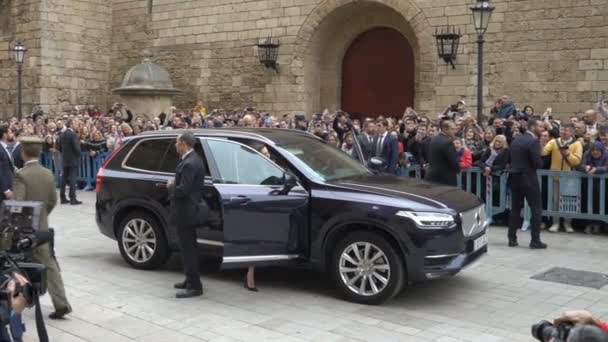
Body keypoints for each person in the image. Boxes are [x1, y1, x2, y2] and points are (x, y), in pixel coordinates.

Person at [13, 136, 72, 319]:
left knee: (15, 265)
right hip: (42, 228)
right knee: (49, 265)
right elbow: (52, 200)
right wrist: (43, 216)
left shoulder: (21, 175)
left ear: (23, 152)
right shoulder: (48, 173)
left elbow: (18, 204)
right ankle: (61, 303)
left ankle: (17, 302)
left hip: (25, 230)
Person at [168, 132, 206, 298]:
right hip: (186, 211)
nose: (175, 145)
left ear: (183, 143)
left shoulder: (190, 163)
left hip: (187, 212)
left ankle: (195, 286)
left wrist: (171, 186)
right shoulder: (190, 159)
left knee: (189, 249)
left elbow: (184, 189)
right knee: (186, 248)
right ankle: (189, 279)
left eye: (176, 142)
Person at [508, 118, 547, 249]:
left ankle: (512, 239)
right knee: (536, 208)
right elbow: (538, 164)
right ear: (532, 126)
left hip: (514, 177)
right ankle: (535, 241)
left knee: (515, 208)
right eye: (541, 126)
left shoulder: (516, 139)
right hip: (528, 178)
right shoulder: (533, 141)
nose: (543, 129)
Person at [542, 123, 583, 233]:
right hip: (555, 176)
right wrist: (542, 143)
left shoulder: (577, 144)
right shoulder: (554, 142)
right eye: (562, 129)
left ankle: (567, 223)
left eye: (567, 130)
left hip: (570, 177)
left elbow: (577, 161)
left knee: (568, 201)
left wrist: (567, 153)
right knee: (555, 200)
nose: (564, 132)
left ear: (572, 132)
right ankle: (555, 223)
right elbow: (544, 152)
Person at [426, 120, 460, 186]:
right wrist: (457, 170)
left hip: (432, 177)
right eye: (452, 129)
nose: (454, 131)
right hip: (445, 179)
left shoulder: (434, 139)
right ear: (445, 129)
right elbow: (453, 160)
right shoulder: (448, 142)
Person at [58, 119, 82, 205]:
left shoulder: (62, 134)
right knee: (72, 179)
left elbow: (59, 146)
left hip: (64, 159)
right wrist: (78, 155)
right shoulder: (73, 134)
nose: (77, 126)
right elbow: (76, 148)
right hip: (72, 159)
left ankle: (62, 197)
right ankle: (73, 198)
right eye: (76, 124)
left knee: (64, 178)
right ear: (71, 124)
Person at [0, 125, 15, 204]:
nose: (12, 134)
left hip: (9, 186)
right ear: (4, 135)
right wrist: (6, 190)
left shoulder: (5, 148)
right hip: (3, 190)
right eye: (10, 132)